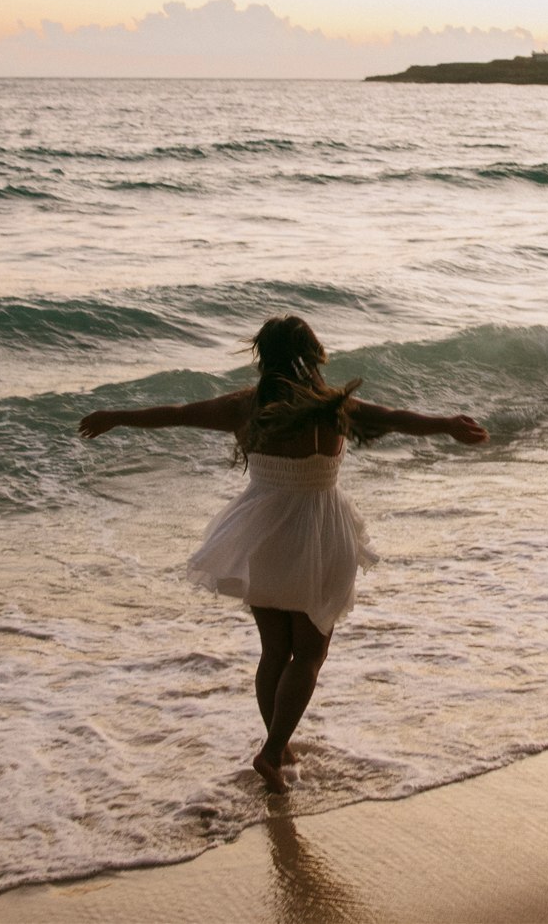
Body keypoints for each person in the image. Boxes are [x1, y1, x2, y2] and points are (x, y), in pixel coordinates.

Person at [77, 315, 487, 792]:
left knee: (275, 650)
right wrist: (447, 425)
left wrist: (116, 417)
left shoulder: (245, 406)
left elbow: (178, 411)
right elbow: (396, 418)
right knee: (310, 652)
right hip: (319, 532)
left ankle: (280, 744)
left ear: (263, 356)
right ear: (313, 354)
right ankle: (272, 752)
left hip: (261, 534)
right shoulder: (336, 407)